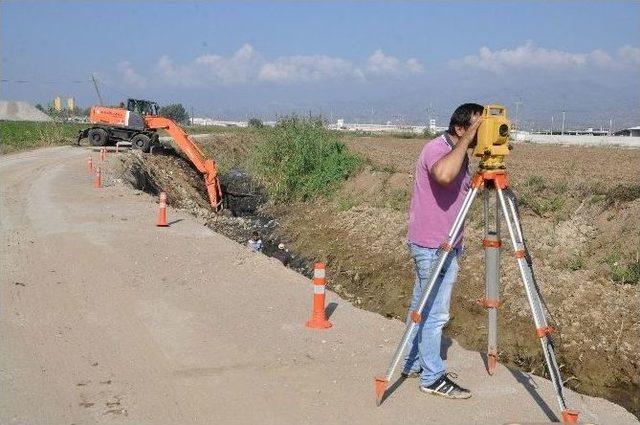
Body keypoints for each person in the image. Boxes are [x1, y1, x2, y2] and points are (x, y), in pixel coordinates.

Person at [402, 103, 484, 400]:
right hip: (434, 245)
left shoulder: (459, 152)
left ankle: (411, 362)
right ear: (460, 129)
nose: (479, 137)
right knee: (435, 313)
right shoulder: (437, 148)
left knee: (421, 308)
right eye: (477, 129)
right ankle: (432, 377)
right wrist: (468, 139)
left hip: (441, 242)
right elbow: (443, 176)